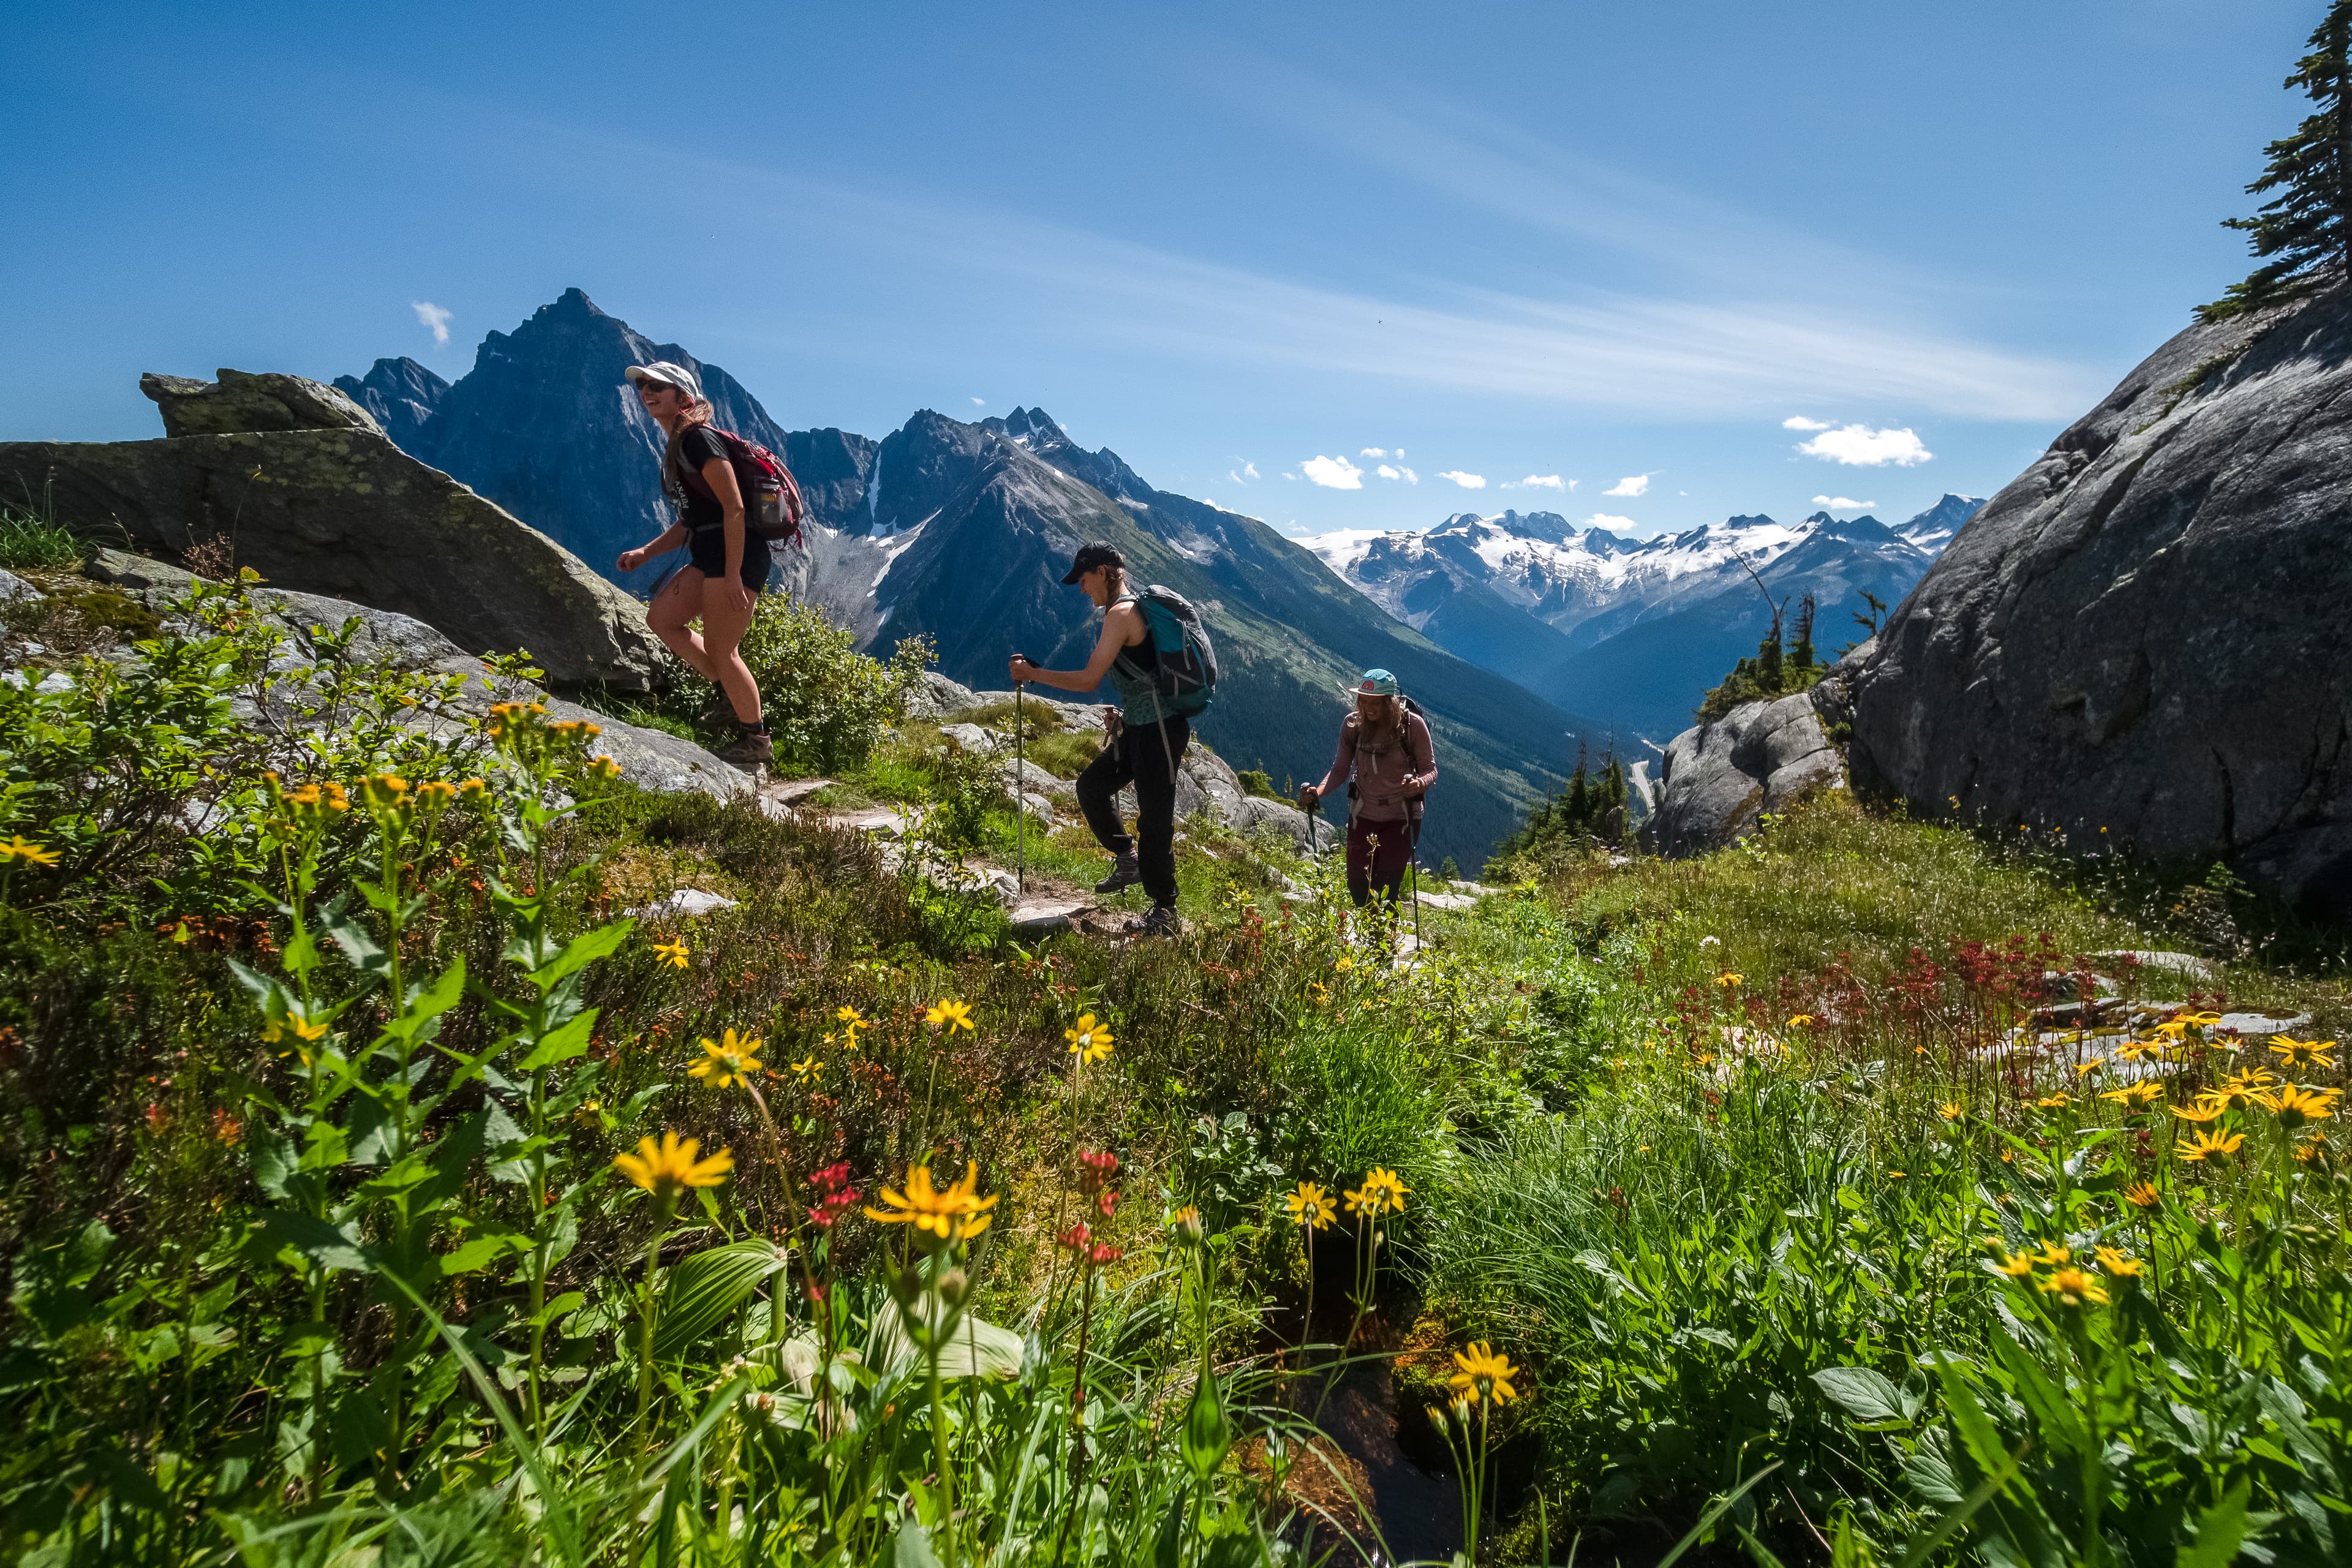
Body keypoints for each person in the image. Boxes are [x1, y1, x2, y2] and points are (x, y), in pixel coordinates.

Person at [1009, 542, 1187, 937]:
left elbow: (1089, 680)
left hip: (1159, 730)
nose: (1081, 588)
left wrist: (1034, 676)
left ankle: (1165, 912)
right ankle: (1129, 861)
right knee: (1091, 787)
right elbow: (1143, 675)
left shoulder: (1122, 614)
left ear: (1106, 573)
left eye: (1085, 579)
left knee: (1155, 819)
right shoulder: (1122, 612)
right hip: (1140, 727)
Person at [614, 361, 772, 768]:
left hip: (733, 556)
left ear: (683, 398)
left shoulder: (698, 440)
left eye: (658, 387)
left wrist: (734, 573)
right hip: (709, 554)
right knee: (662, 619)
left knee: (724, 649)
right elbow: (692, 519)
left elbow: (734, 508)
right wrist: (646, 553)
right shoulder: (680, 443)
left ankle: (756, 741)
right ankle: (728, 692)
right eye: (643, 386)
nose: (647, 391)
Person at [1298, 669, 1438, 908]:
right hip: (1362, 815)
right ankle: (1372, 937)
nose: (1368, 707)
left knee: (1386, 885)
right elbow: (1340, 769)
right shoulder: (1353, 725)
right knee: (1357, 883)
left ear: (1389, 702)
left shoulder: (1413, 726)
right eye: (1363, 700)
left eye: (1375, 702)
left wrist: (1419, 785)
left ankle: (1384, 941)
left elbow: (1430, 769)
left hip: (1402, 817)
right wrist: (1317, 792)